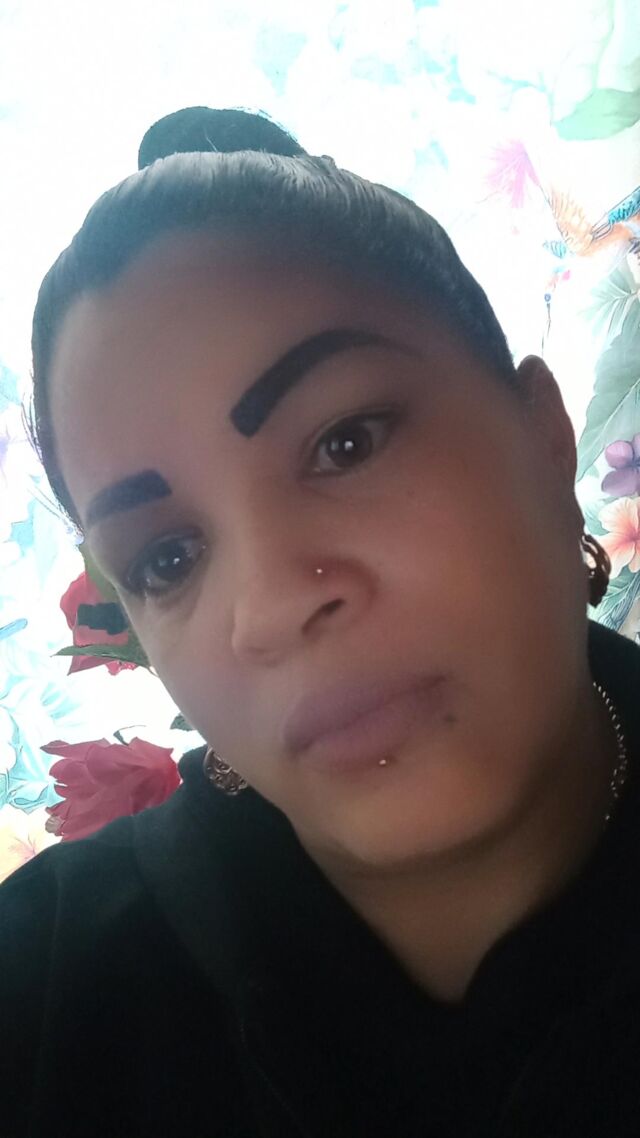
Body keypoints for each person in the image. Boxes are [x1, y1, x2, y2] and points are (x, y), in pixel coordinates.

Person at [2, 105, 640, 1138]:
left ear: (544, 436)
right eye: (167, 558)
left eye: (346, 443)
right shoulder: (46, 989)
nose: (271, 608)